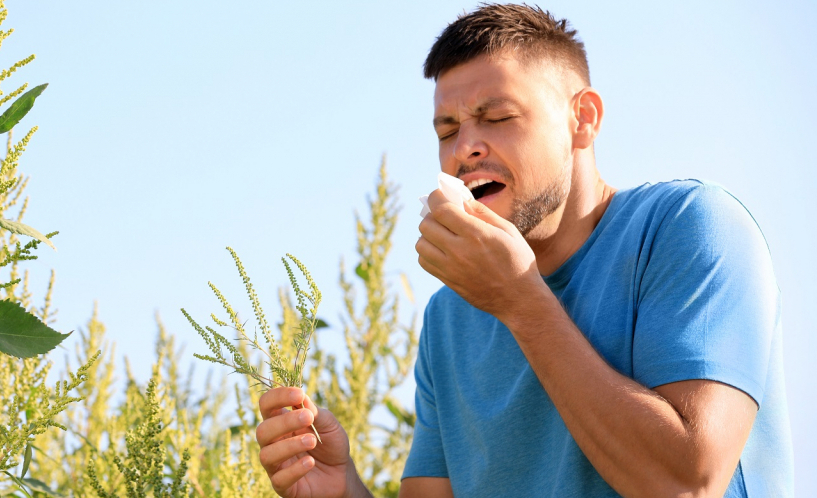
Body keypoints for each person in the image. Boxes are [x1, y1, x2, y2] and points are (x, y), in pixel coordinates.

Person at [253, 4, 793, 497]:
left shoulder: (688, 226)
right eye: (448, 129)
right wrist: (342, 490)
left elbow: (685, 484)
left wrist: (519, 301)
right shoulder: (449, 318)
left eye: (498, 117)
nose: (466, 148)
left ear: (583, 119)